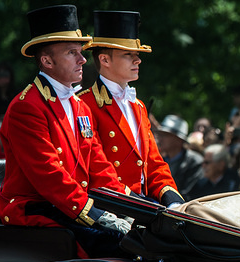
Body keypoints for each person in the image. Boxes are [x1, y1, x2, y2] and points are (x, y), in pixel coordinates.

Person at [0, 5, 133, 259]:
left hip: (69, 204)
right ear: (47, 61)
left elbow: (99, 167)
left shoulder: (79, 105)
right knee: (121, 243)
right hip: (35, 208)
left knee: (145, 237)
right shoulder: (26, 107)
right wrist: (96, 215)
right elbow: (50, 176)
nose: (82, 59)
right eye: (73, 53)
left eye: (80, 52)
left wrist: (135, 206)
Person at [78, 10, 184, 207]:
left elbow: (154, 164)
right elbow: (97, 171)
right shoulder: (84, 105)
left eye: (137, 54)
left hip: (143, 205)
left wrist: (172, 200)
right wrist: (138, 204)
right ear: (105, 60)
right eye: (128, 54)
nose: (138, 60)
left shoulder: (139, 106)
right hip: (111, 207)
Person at [155, 115, 204, 201]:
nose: (160, 138)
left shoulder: (195, 162)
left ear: (179, 139)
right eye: (160, 134)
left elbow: (188, 195)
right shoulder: (160, 160)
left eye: (165, 135)